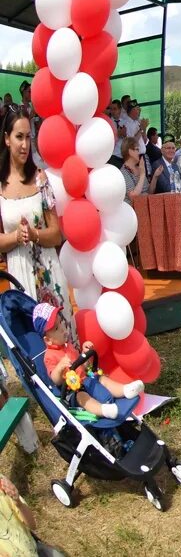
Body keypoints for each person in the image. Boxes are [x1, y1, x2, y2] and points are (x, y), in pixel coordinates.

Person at [0, 110, 73, 333]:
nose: (24, 144)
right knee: (34, 347)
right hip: (19, 275)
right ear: (6, 138)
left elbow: (56, 233)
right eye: (19, 137)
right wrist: (15, 237)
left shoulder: (41, 179)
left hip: (49, 272)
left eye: (28, 137)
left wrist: (34, 235)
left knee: (62, 341)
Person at [35, 303, 143, 421]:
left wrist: (84, 354)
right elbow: (55, 380)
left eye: (60, 322)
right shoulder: (49, 356)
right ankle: (103, 410)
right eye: (56, 328)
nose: (62, 328)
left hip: (86, 379)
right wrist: (60, 367)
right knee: (83, 397)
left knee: (102, 379)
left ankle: (125, 390)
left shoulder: (68, 345)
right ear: (48, 340)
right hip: (72, 389)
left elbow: (81, 365)